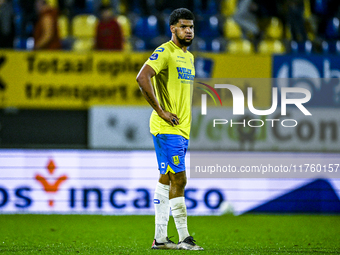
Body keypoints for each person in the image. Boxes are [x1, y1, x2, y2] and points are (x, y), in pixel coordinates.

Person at [136, 8, 203, 251]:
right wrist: (162, 111)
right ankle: (185, 237)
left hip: (181, 128)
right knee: (180, 179)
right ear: (173, 28)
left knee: (166, 179)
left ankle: (161, 239)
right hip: (167, 128)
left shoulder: (189, 57)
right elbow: (142, 77)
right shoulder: (165, 51)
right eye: (184, 26)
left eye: (192, 27)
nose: (189, 31)